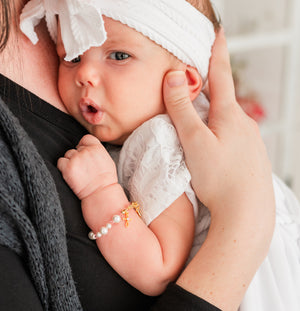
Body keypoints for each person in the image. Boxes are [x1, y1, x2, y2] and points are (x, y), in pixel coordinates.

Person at [0, 0, 277, 310]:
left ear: (184, 82)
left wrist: (100, 192)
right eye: (73, 56)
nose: (86, 73)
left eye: (119, 56)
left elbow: (159, 268)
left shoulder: (158, 144)